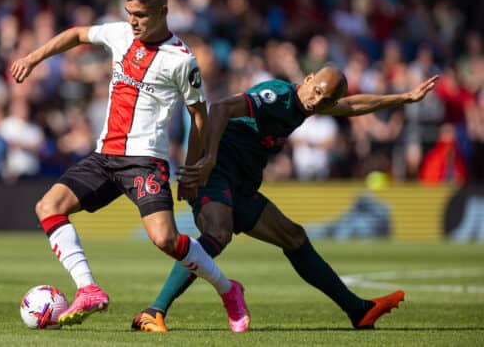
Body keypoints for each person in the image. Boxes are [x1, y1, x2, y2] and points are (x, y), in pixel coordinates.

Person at [10, 0, 249, 332]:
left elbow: (199, 117)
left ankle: (229, 291)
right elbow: (77, 34)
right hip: (104, 155)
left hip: (144, 160)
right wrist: (33, 57)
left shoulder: (182, 61)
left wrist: (194, 168)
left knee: (165, 239)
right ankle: (88, 289)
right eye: (129, 14)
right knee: (48, 207)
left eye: (140, 15)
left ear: (163, 12)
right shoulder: (120, 35)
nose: (133, 21)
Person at [132, 66, 438, 332]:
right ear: (307, 79)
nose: (318, 101)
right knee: (218, 233)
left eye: (326, 100)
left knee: (294, 237)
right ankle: (154, 311)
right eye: (316, 91)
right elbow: (220, 108)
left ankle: (357, 310)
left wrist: (405, 97)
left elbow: (352, 105)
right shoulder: (277, 95)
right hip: (217, 172)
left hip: (242, 182)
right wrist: (207, 159)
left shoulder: (310, 106)